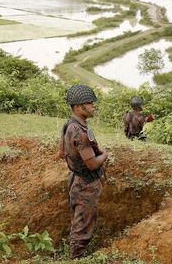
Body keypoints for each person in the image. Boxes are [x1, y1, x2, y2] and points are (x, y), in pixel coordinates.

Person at [58, 84, 108, 259]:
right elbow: (93, 164)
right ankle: (76, 259)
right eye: (90, 103)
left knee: (79, 222)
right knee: (82, 229)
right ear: (79, 107)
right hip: (86, 184)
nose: (94, 106)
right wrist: (105, 156)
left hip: (76, 181)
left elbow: (61, 152)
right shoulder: (80, 132)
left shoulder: (69, 126)